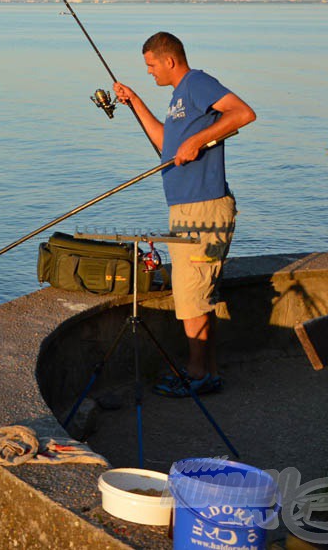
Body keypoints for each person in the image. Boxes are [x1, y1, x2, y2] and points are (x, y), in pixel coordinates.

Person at [112, 32, 256, 398]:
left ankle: (196, 375)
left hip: (203, 205)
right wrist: (136, 104)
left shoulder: (196, 84)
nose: (149, 72)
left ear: (169, 60)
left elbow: (243, 113)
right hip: (187, 206)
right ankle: (206, 373)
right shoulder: (179, 97)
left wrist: (197, 140)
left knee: (191, 295)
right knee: (196, 292)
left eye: (150, 65)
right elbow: (166, 145)